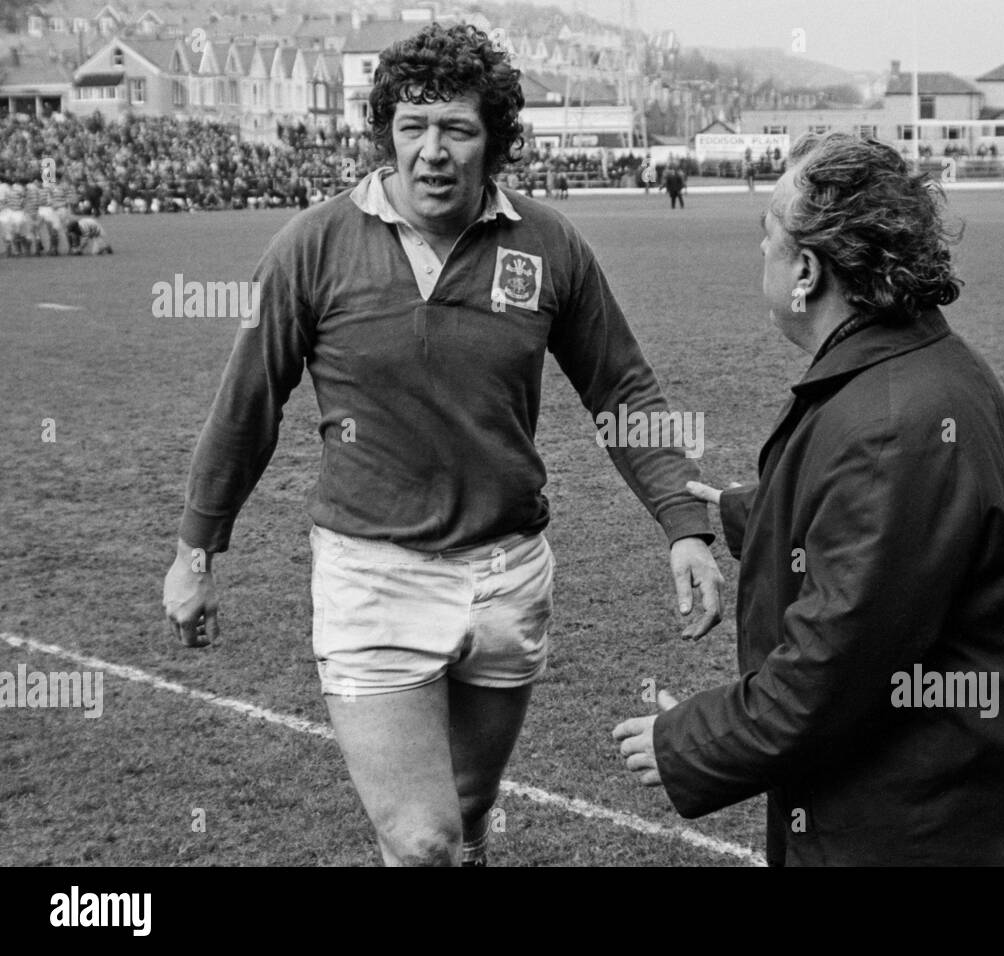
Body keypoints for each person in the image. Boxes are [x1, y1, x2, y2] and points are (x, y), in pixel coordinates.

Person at [162, 22, 723, 868]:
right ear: (385, 133)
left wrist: (683, 520)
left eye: (456, 129)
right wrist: (195, 553)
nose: (432, 151)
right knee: (421, 841)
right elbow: (247, 408)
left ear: (493, 139)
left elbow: (622, 387)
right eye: (412, 127)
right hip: (372, 579)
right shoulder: (313, 246)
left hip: (508, 579)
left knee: (464, 821)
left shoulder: (549, 244)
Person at [614, 133, 1004, 866]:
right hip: (940, 807)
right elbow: (886, 535)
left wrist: (686, 742)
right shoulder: (918, 365)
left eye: (766, 235)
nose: (757, 254)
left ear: (805, 268)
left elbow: (832, 671)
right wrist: (751, 511)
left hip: (922, 828)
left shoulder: (891, 424)